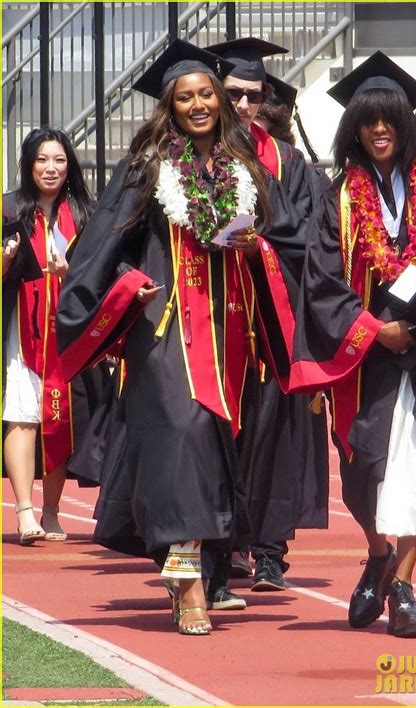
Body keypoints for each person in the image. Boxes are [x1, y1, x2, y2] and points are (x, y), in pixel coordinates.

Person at [56, 40, 300, 636]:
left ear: (220, 101)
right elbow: (101, 250)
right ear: (170, 106)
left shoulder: (245, 168)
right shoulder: (147, 167)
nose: (197, 105)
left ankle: (198, 566)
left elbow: (287, 239)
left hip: (229, 329)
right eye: (185, 97)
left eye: (206, 95)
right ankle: (187, 580)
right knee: (183, 438)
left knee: (215, 448)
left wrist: (258, 247)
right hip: (165, 327)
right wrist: (125, 287)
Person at [290, 52, 416, 638]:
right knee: (362, 470)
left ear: (407, 119)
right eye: (368, 119)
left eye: (390, 116)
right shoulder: (338, 195)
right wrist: (371, 329)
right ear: (355, 127)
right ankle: (376, 550)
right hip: (366, 354)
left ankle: (405, 587)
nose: (379, 128)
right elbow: (320, 279)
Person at [206, 38, 330, 594]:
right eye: (234, 93)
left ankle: (270, 552)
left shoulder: (291, 164)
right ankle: (222, 543)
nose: (245, 105)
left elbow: (312, 233)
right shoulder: (194, 157)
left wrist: (263, 245)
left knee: (276, 435)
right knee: (221, 434)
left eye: (254, 96)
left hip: (274, 319)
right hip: (213, 318)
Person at [2, 127, 96, 545]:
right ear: (28, 164)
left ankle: (52, 511)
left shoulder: (85, 213)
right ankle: (25, 511)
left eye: (58, 160)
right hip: (21, 330)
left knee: (58, 417)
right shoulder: (8, 210)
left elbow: (100, 272)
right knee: (22, 415)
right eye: (42, 159)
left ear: (69, 164)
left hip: (69, 331)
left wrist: (70, 274)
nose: (50, 168)